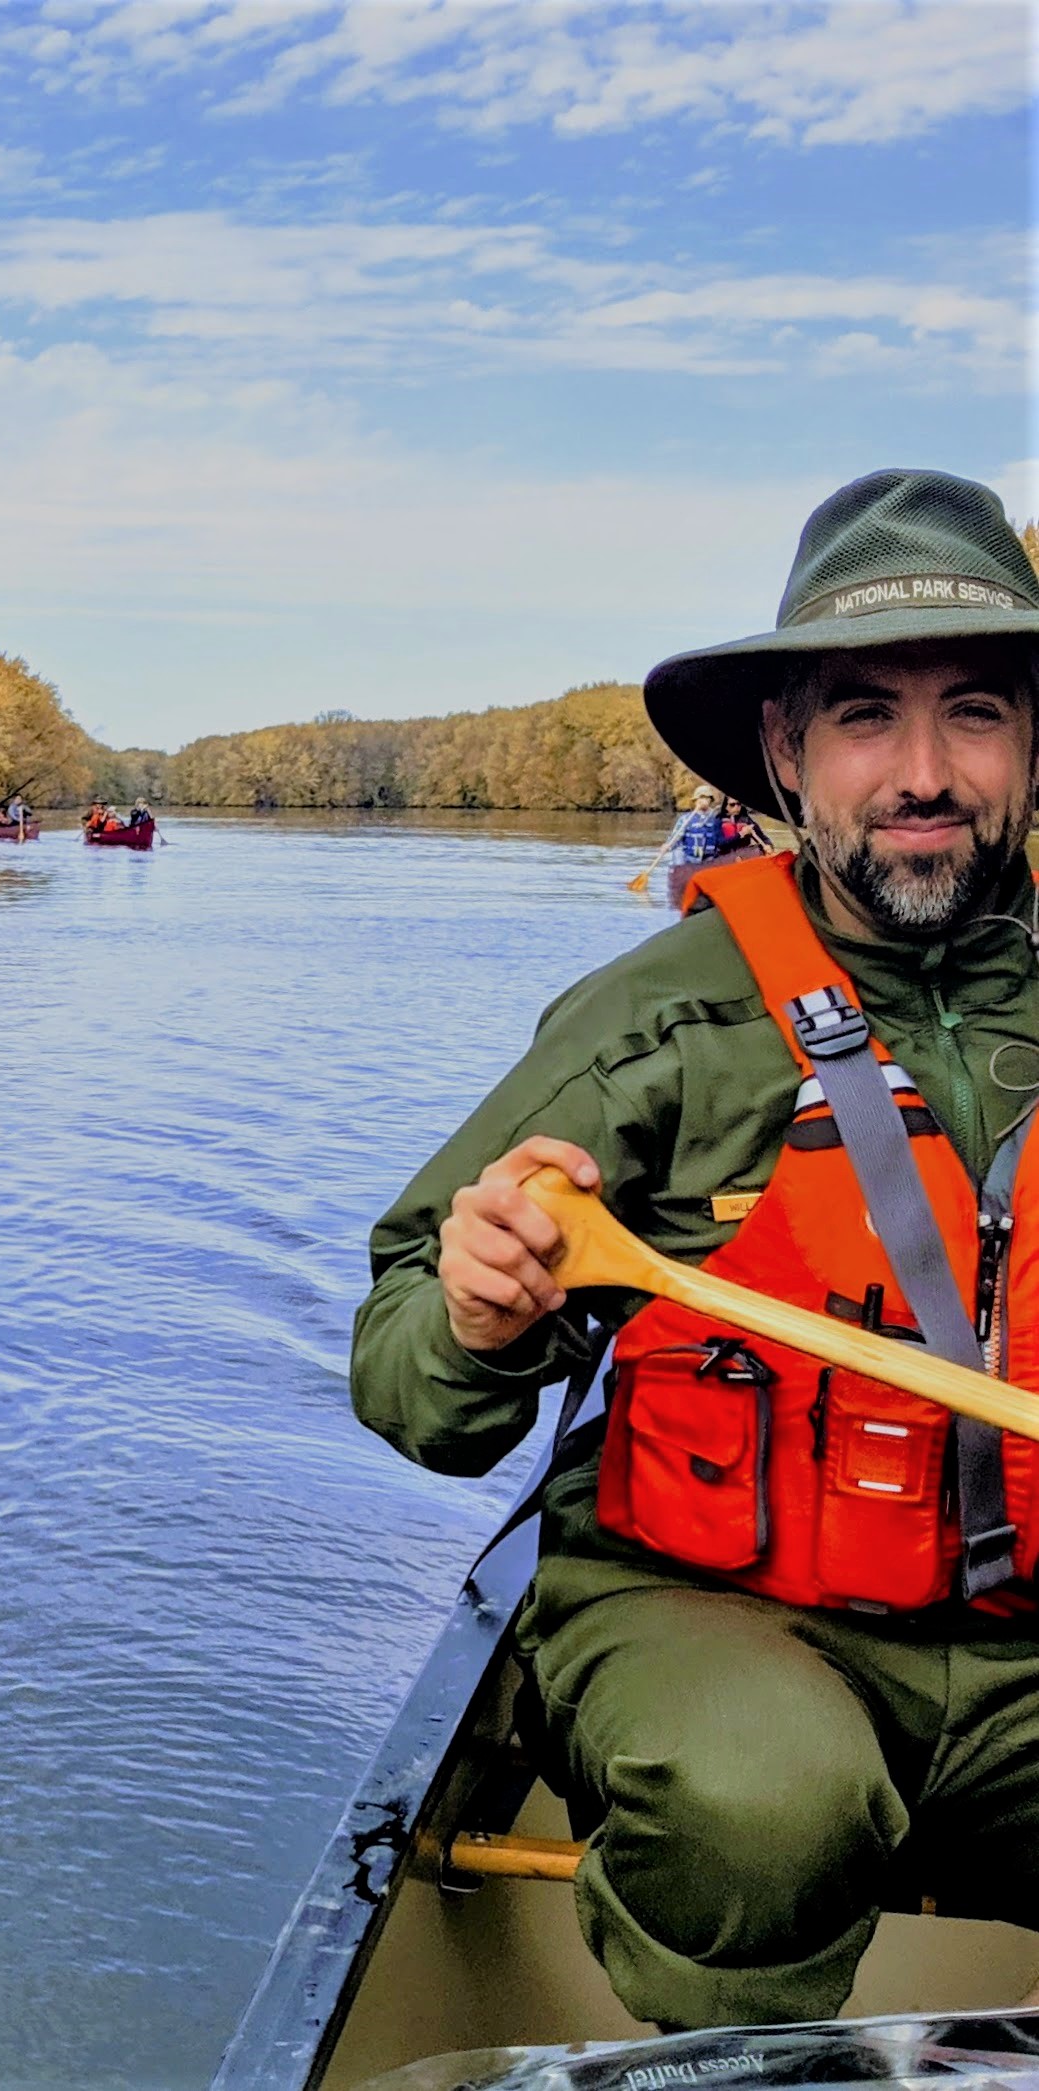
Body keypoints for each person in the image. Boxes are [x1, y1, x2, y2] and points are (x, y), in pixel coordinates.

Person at [353, 468, 1039, 2032]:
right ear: (785, 751)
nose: (921, 772)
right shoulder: (653, 1016)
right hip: (712, 1611)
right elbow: (402, 1380)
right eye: (862, 715)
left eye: (973, 711)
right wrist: (473, 1316)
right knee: (762, 1796)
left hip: (1018, 1643)